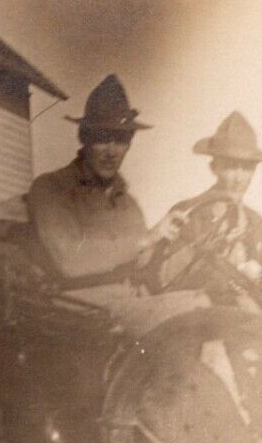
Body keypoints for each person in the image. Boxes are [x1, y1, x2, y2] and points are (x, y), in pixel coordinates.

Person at [25, 74, 185, 306]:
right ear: (84, 139)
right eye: (102, 138)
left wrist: (184, 248)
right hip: (74, 316)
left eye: (120, 140)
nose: (111, 151)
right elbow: (70, 260)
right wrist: (144, 239)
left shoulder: (127, 204)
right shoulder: (51, 189)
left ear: (129, 144)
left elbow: (145, 265)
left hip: (129, 308)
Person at [141, 111, 262, 310]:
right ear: (214, 167)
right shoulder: (187, 214)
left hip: (241, 321)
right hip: (194, 318)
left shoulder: (254, 221)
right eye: (231, 166)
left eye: (247, 168)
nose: (239, 178)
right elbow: (159, 282)